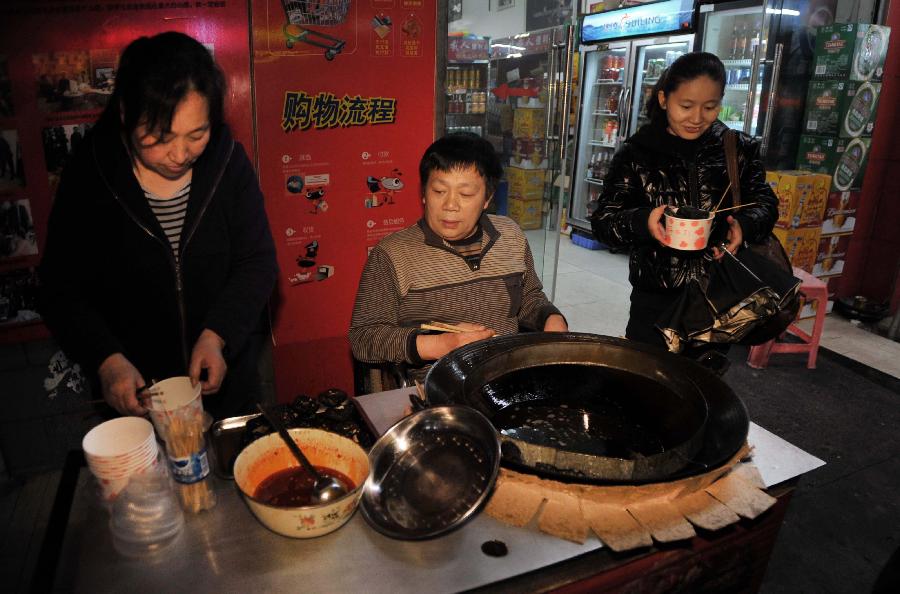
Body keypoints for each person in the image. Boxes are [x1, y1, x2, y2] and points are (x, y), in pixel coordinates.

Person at [39, 32, 278, 420]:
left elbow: (258, 261)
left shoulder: (228, 162)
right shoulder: (90, 174)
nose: (180, 154)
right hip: (135, 397)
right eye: (160, 137)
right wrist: (106, 359)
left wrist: (218, 335)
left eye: (197, 134)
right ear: (124, 114)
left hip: (223, 389)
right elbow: (59, 287)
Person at [591, 51, 778, 361]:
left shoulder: (737, 148)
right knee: (647, 381)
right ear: (664, 99)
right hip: (654, 300)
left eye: (710, 107)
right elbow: (603, 222)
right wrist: (643, 221)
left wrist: (744, 226)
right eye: (686, 106)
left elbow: (765, 204)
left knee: (701, 387)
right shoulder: (637, 153)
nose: (696, 118)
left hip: (716, 295)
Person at [349, 133, 567, 385]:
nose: (450, 205)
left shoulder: (511, 235)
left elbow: (529, 298)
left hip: (508, 377)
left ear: (487, 199)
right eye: (439, 190)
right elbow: (363, 338)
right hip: (436, 387)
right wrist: (441, 344)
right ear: (423, 193)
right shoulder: (393, 253)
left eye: (465, 194)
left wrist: (551, 318)